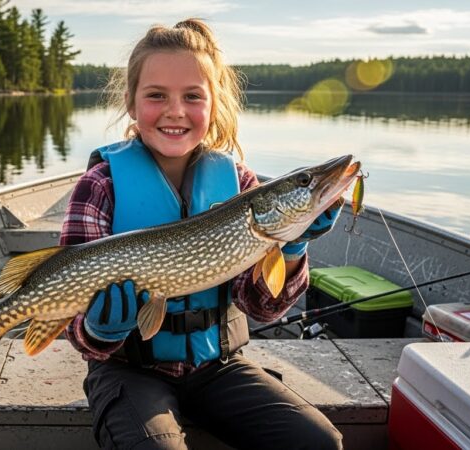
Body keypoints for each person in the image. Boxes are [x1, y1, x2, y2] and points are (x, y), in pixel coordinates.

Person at [61, 18, 344, 450]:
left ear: (214, 105)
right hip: (127, 369)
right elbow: (72, 322)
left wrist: (293, 245)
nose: (175, 111)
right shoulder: (100, 186)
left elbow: (262, 308)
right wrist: (99, 331)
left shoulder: (242, 185)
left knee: (318, 442)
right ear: (132, 104)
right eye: (157, 95)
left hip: (218, 363)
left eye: (192, 96)